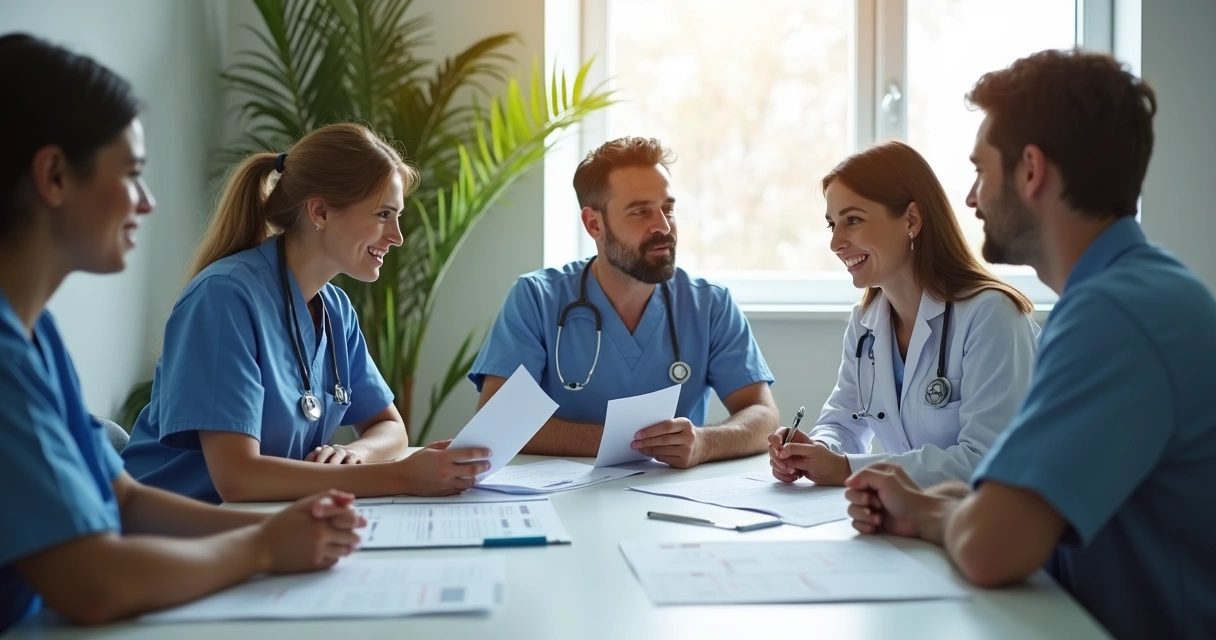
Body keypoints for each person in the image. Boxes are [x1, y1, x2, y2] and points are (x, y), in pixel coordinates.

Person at [843, 49, 1216, 639]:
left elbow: (993, 546)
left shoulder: (1115, 316)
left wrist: (933, 514)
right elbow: (1010, 516)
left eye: (980, 171)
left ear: (1032, 170)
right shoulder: (1134, 292)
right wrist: (925, 509)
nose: (971, 199)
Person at [0, 34, 364, 632]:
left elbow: (125, 501)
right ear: (55, 176)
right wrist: (263, 549)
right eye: (133, 174)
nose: (147, 202)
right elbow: (92, 583)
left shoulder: (37, 338)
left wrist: (293, 527)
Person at [121, 122, 491, 503]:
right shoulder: (224, 298)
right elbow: (237, 477)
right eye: (383, 214)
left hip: (265, 524)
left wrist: (355, 455)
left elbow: (389, 427)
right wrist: (399, 477)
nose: (397, 235)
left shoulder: (335, 309)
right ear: (321, 212)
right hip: (172, 535)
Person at [468, 137, 778, 468]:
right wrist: (636, 444)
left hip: (672, 499)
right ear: (594, 224)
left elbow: (762, 416)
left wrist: (705, 442)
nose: (662, 225)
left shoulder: (710, 304)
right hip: (561, 500)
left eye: (668, 209)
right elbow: (499, 419)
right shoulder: (537, 298)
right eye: (640, 211)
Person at [767, 141, 1039, 487]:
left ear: (911, 219)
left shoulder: (991, 315)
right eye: (831, 225)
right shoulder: (866, 323)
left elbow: (990, 458)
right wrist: (815, 450)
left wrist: (849, 469)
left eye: (853, 220)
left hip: (990, 527)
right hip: (913, 521)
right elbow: (842, 424)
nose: (836, 243)